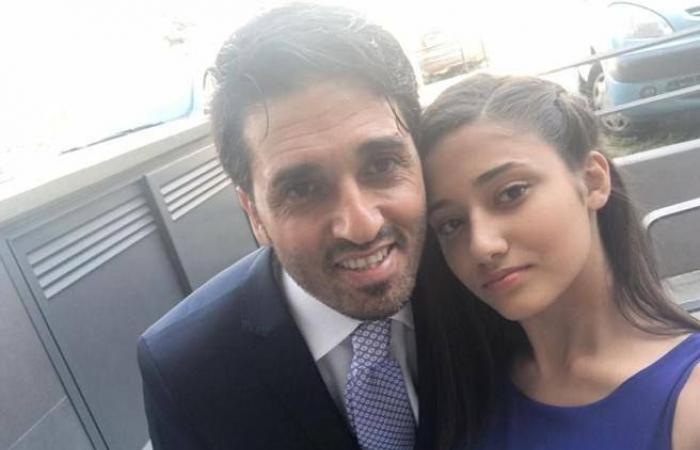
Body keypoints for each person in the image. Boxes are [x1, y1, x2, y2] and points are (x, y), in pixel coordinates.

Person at [137, 4, 492, 450]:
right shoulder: (186, 371)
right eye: (302, 189)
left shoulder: (484, 281)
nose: (361, 225)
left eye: (382, 164)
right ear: (254, 214)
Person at [418, 74, 700, 450]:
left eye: (511, 193)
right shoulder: (461, 388)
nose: (481, 246)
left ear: (592, 180)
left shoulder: (688, 402)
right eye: (451, 224)